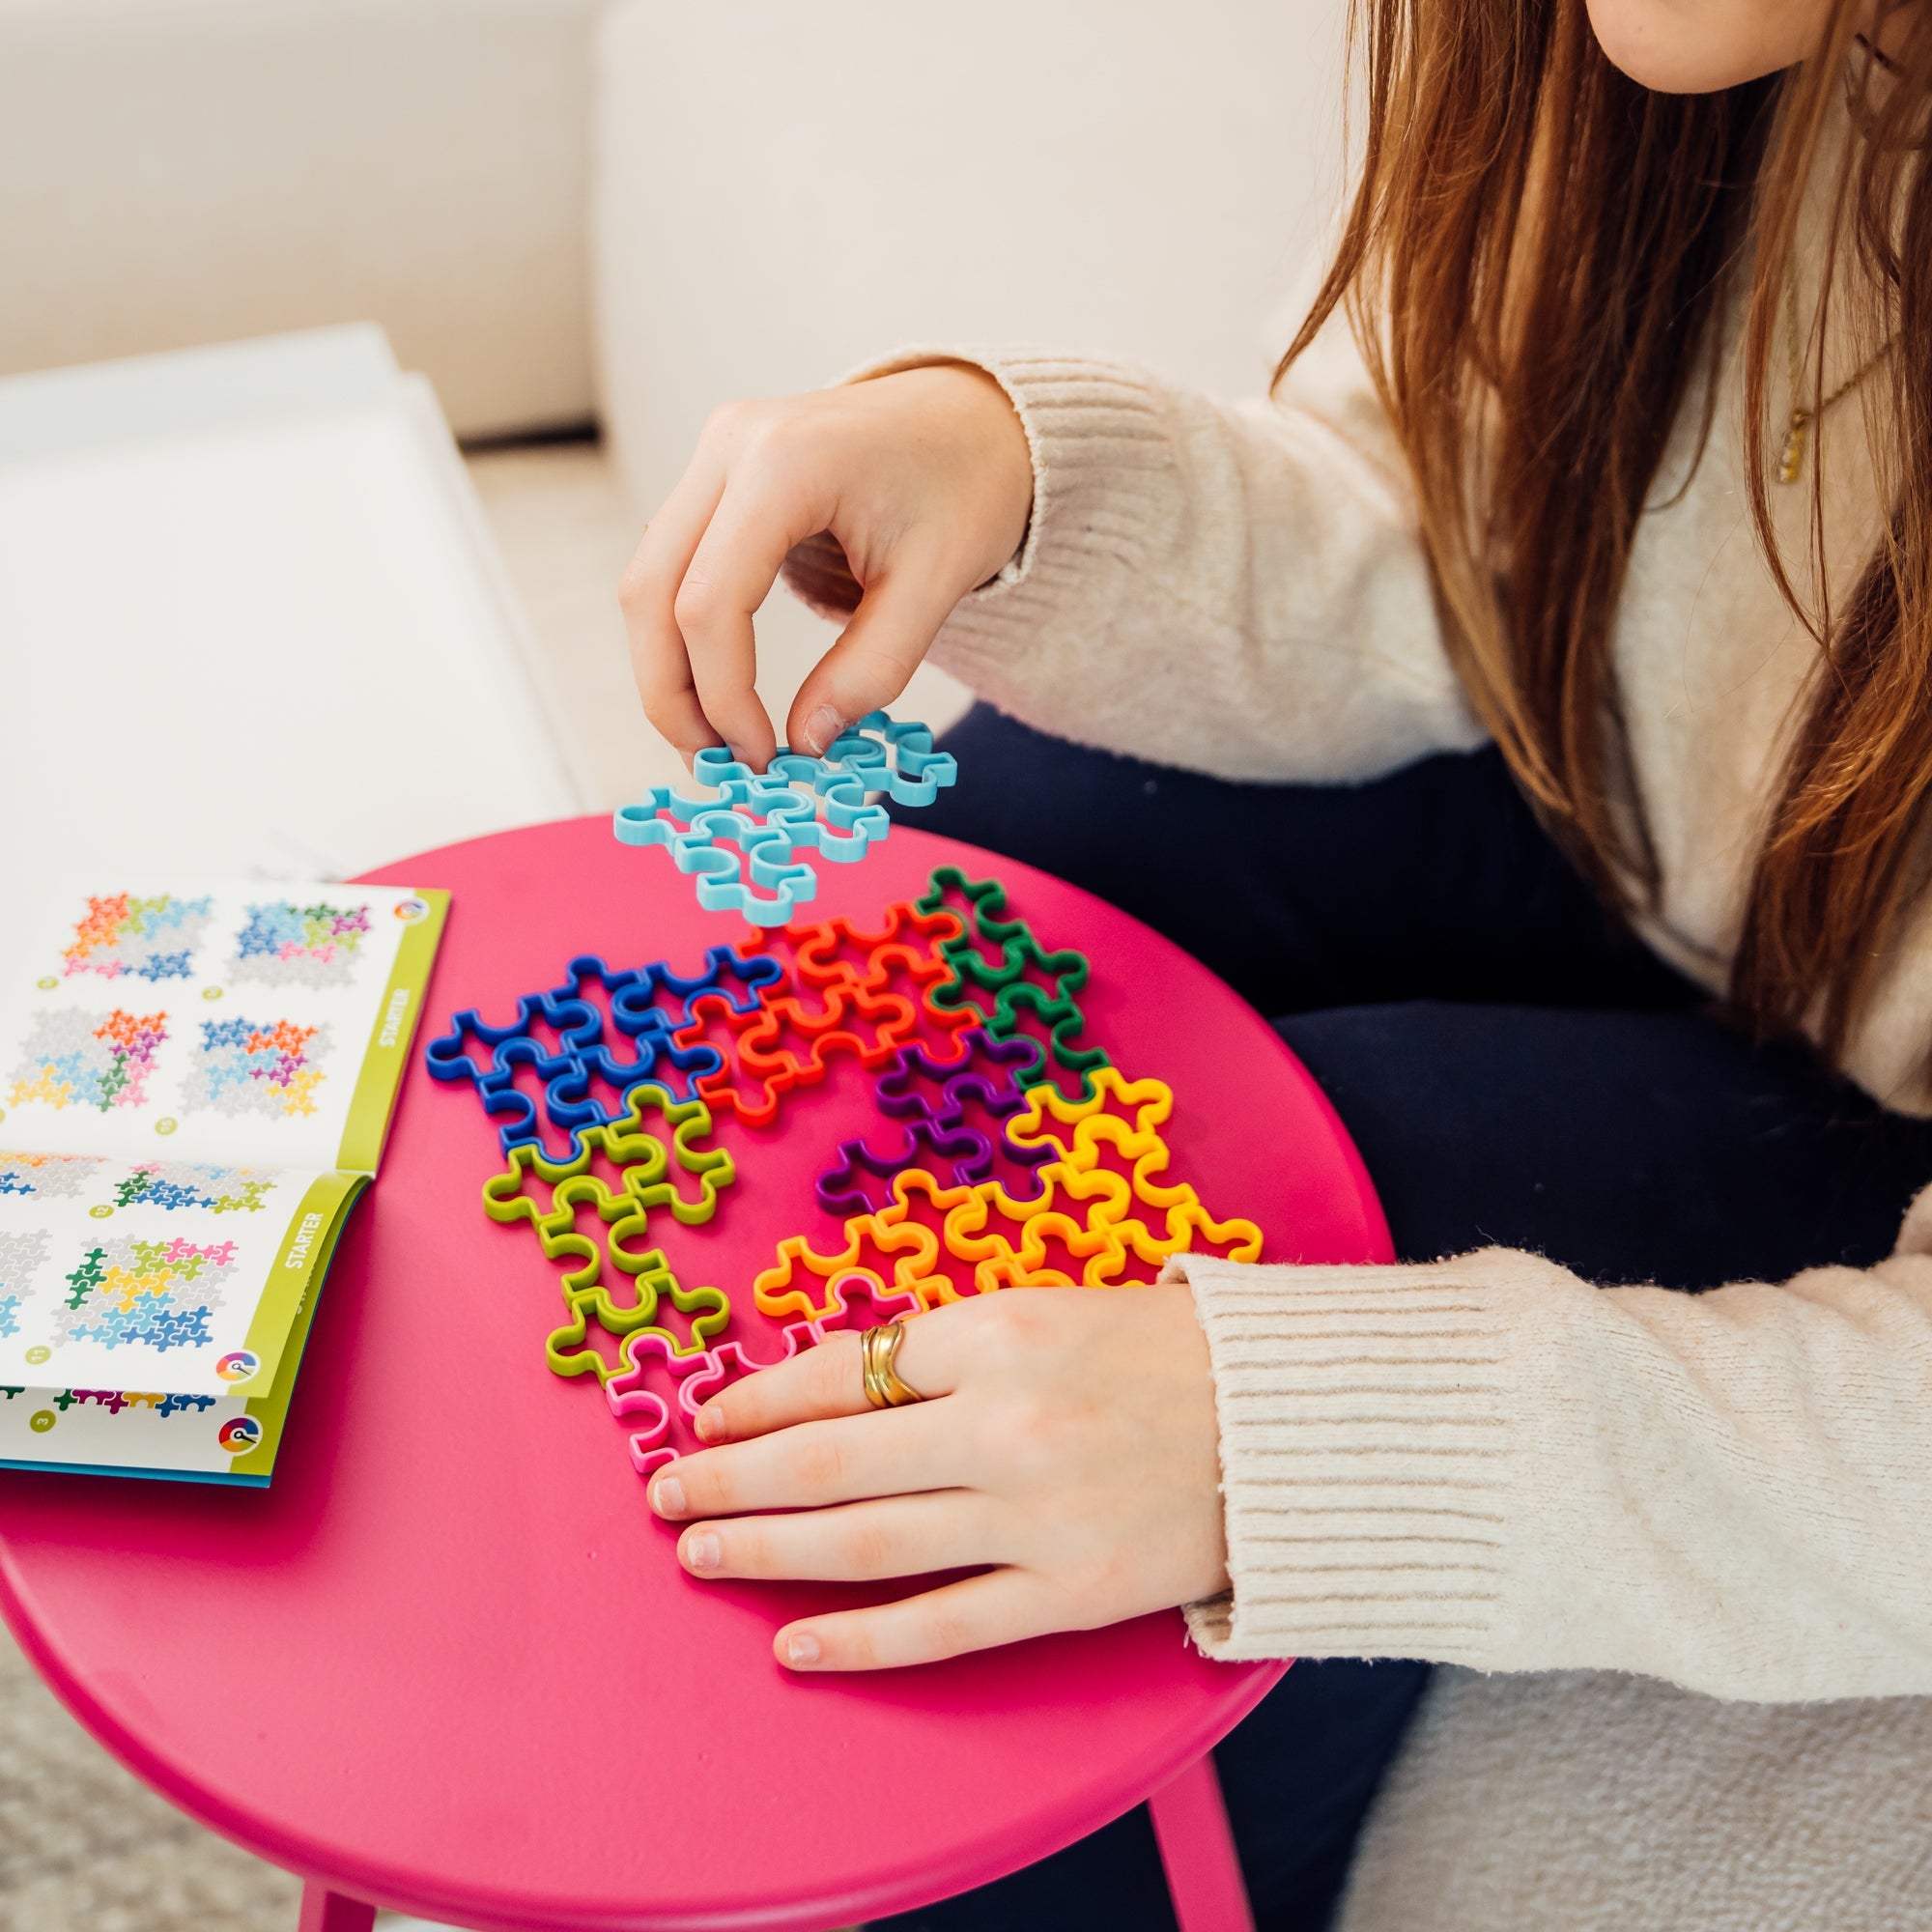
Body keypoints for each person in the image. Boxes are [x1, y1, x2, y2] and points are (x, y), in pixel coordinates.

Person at [616, 0, 1932, 1924]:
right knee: (981, 916)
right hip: (1655, 816)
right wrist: (1013, 474)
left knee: (1255, 1230)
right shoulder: (1680, 61)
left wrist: (1290, 1443)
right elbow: (1447, 503)